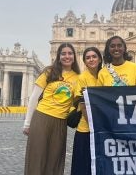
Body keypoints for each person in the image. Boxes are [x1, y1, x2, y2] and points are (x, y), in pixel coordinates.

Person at [23, 43, 80, 175]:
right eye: (63, 53)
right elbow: (34, 97)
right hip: (42, 117)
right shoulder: (49, 71)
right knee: (37, 156)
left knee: (55, 159)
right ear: (58, 56)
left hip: (61, 122)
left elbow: (76, 101)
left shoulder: (78, 77)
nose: (67, 56)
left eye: (70, 53)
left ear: (74, 56)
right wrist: (27, 123)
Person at [70, 47, 103, 175]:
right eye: (88, 57)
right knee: (83, 166)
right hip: (86, 128)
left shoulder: (105, 75)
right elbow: (82, 104)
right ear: (84, 61)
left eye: (94, 56)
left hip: (103, 128)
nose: (91, 59)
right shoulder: (82, 77)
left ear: (100, 59)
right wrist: (94, 126)